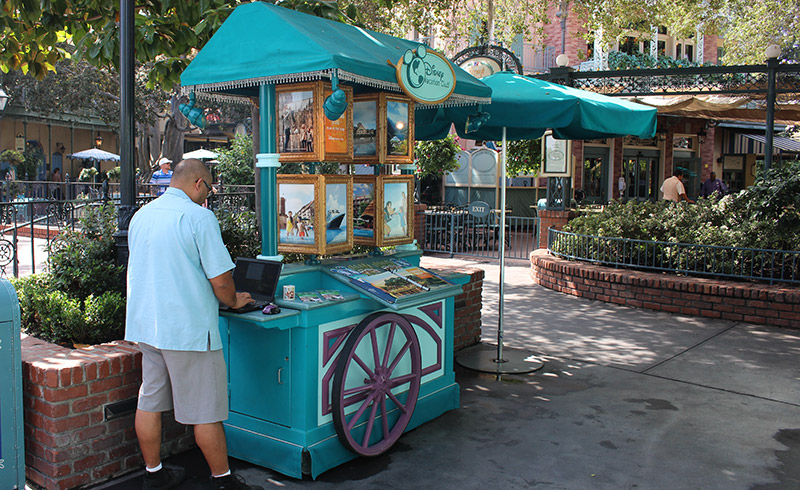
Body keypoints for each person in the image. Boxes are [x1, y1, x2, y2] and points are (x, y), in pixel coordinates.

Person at [125, 159, 262, 490]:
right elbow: (221, 279)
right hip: (188, 330)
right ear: (199, 183)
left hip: (147, 326)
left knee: (150, 401)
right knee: (206, 411)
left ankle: (154, 475)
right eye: (210, 189)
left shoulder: (141, 215)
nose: (209, 196)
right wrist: (234, 300)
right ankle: (223, 482)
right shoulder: (199, 217)